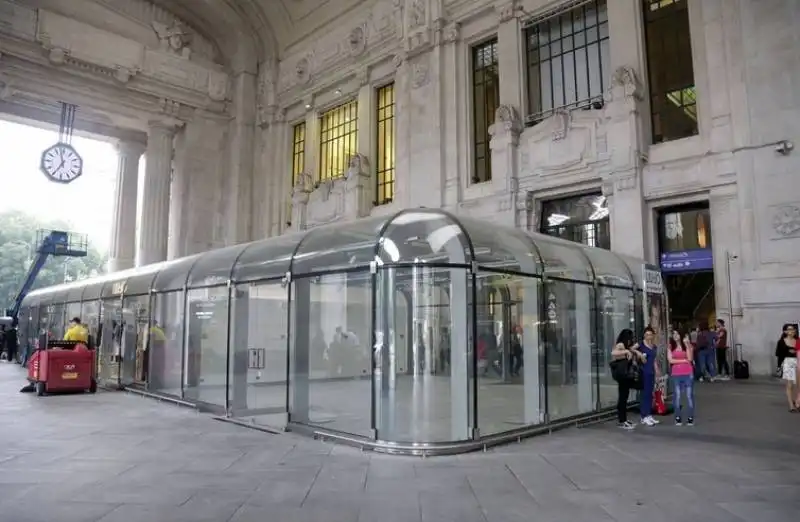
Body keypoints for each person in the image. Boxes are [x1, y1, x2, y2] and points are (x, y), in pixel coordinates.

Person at [610, 329, 645, 430]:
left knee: (624, 397)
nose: (631, 340)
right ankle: (622, 420)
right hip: (622, 374)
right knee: (622, 397)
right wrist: (626, 351)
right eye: (630, 338)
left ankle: (624, 419)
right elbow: (614, 352)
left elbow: (633, 348)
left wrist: (635, 351)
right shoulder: (621, 345)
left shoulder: (626, 346)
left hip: (625, 375)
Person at [668, 329, 695, 426]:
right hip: (676, 374)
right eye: (673, 334)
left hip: (688, 373)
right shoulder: (671, 346)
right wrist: (683, 361)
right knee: (677, 396)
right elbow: (671, 360)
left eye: (677, 333)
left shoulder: (687, 345)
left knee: (689, 396)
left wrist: (687, 344)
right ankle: (677, 417)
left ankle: (690, 417)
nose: (675, 335)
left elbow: (690, 358)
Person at [638, 326, 661, 426]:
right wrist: (639, 354)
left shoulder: (654, 346)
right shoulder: (641, 345)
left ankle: (648, 414)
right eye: (647, 335)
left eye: (650, 334)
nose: (649, 336)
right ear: (644, 335)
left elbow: (654, 359)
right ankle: (644, 416)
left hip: (651, 371)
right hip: (644, 371)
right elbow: (632, 349)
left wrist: (657, 370)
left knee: (650, 393)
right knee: (645, 393)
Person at [775, 323, 799, 412]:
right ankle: (791, 406)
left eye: (793, 329)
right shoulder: (781, 342)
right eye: (789, 329)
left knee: (797, 385)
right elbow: (779, 355)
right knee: (790, 385)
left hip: (798, 362)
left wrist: (795, 352)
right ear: (785, 331)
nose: (791, 331)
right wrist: (778, 366)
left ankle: (797, 402)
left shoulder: (798, 340)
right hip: (788, 363)